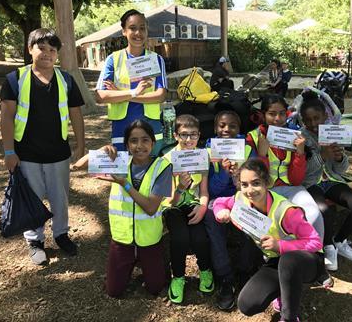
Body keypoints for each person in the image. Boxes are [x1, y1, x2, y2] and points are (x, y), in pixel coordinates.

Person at [0, 28, 85, 265]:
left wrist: (81, 146)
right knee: (32, 199)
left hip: (58, 154)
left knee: (60, 197)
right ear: (30, 49)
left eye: (52, 49)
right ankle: (35, 241)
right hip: (26, 155)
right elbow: (6, 116)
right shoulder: (15, 79)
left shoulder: (66, 79)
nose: (47, 53)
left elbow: (76, 114)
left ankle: (61, 234)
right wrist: (9, 152)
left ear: (57, 54)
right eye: (42, 48)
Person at [213, 158, 324, 321]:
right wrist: (220, 212)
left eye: (256, 183)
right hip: (275, 260)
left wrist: (280, 245)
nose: (250, 190)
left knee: (288, 261)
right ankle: (282, 291)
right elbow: (220, 202)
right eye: (244, 184)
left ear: (267, 183)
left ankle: (289, 317)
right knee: (247, 304)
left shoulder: (286, 211)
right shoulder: (241, 199)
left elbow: (316, 242)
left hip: (308, 260)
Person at [74, 120, 172, 297]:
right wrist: (102, 151)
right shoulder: (119, 162)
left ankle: (156, 262)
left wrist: (125, 184)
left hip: (149, 240)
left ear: (153, 143)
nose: (139, 146)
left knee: (155, 288)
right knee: (114, 291)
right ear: (127, 145)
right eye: (133, 141)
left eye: (145, 140)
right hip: (122, 240)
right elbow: (78, 165)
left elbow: (150, 208)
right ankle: (131, 264)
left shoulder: (162, 167)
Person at [299, 90, 352, 272]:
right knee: (324, 210)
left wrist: (339, 158)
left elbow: (340, 170)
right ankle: (328, 246)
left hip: (331, 179)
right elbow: (303, 172)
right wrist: (322, 156)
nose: (314, 124)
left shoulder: (332, 132)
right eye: (309, 120)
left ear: (325, 116)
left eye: (317, 118)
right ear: (303, 121)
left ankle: (340, 241)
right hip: (310, 183)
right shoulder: (301, 138)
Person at [246, 94, 324, 241]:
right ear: (263, 115)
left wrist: (300, 153)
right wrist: (262, 155)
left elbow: (296, 180)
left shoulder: (293, 136)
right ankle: (281, 256)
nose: (277, 119)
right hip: (265, 191)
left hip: (291, 188)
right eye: (272, 114)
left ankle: (317, 252)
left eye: (282, 113)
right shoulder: (253, 137)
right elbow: (254, 179)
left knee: (314, 214)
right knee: (280, 223)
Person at [95, 9, 167, 151]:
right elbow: (101, 96)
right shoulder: (113, 60)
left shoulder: (156, 59)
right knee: (124, 171)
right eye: (132, 28)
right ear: (124, 31)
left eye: (142, 28)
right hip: (122, 130)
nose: (138, 33)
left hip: (151, 130)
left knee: (150, 171)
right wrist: (134, 92)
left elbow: (160, 96)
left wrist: (122, 95)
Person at [203, 110, 253, 310]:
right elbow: (212, 190)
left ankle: (245, 271)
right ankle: (225, 277)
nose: (226, 129)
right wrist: (224, 173)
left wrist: (237, 177)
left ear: (239, 129)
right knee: (211, 220)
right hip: (217, 199)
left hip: (242, 197)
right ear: (215, 128)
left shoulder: (248, 149)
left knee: (253, 217)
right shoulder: (208, 151)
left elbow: (252, 185)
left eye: (232, 126)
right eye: (222, 126)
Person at [163, 114, 213, 304]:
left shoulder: (202, 156)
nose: (188, 140)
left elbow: (204, 190)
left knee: (200, 236)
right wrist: (180, 188)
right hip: (173, 206)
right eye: (184, 135)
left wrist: (202, 207)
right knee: (180, 237)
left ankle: (206, 270)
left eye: (193, 135)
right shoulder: (167, 159)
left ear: (199, 135)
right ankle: (178, 277)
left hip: (194, 204)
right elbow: (169, 201)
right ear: (176, 136)